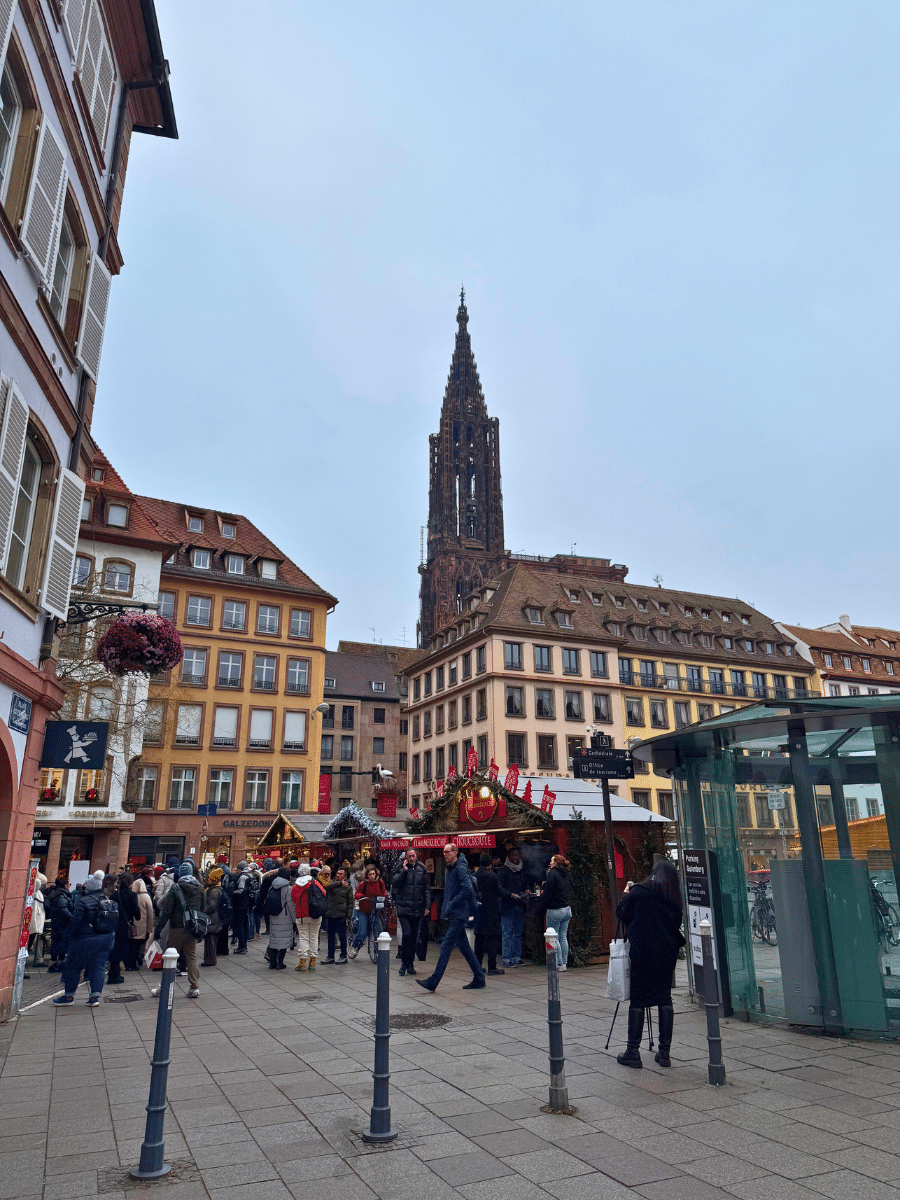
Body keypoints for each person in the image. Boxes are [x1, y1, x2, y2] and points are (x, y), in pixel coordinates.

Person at [614, 860, 685, 1068]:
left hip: (643, 953)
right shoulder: (673, 896)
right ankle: (664, 1053)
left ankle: (632, 1051)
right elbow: (676, 923)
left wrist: (627, 892)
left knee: (638, 999)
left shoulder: (639, 892)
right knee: (664, 999)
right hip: (667, 954)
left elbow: (622, 913)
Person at [417, 844, 485, 992]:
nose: (445, 854)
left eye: (448, 852)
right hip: (455, 913)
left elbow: (467, 889)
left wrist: (452, 904)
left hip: (458, 914)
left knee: (446, 946)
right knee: (465, 948)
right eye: (444, 852)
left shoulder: (459, 868)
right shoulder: (452, 867)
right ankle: (479, 977)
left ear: (455, 853)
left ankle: (433, 982)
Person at [52, 875, 118, 1007]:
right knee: (98, 967)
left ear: (89, 887)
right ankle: (95, 997)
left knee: (74, 966)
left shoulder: (83, 901)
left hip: (84, 939)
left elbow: (75, 922)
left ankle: (69, 996)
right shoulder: (108, 900)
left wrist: (70, 937)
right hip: (105, 938)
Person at [153, 863, 205, 998]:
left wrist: (159, 928)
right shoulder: (199, 888)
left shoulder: (175, 888)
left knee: (170, 956)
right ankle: (194, 987)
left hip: (177, 927)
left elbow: (167, 910)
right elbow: (203, 909)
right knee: (191, 955)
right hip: (192, 927)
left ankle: (164, 986)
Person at [391, 848, 430, 976]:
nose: (412, 858)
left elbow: (426, 889)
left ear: (416, 856)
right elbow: (395, 883)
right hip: (404, 908)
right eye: (409, 856)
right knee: (407, 934)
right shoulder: (400, 867)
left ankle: (410, 964)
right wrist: (404, 871)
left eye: (413, 855)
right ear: (406, 857)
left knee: (414, 937)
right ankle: (403, 963)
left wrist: (427, 906)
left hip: (417, 908)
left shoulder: (422, 868)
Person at [540, 854, 572, 971]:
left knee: (555, 937)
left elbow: (548, 893)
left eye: (552, 861)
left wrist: (541, 906)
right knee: (563, 937)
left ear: (556, 863)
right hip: (566, 909)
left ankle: (558, 963)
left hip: (555, 909)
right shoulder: (565, 873)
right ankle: (564, 963)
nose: (550, 863)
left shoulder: (552, 874)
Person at [473, 854, 504, 976]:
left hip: (478, 910)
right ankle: (492, 966)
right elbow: (499, 891)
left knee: (479, 939)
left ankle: (478, 966)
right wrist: (511, 895)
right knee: (492, 939)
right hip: (491, 910)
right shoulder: (492, 876)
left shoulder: (474, 876)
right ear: (490, 864)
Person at [291, 863, 326, 971]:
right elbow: (324, 893)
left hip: (301, 915)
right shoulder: (314, 883)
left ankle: (302, 962)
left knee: (303, 938)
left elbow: (294, 900)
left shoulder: (295, 886)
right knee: (314, 937)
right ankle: (312, 962)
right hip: (315, 914)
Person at [107, 872, 140, 984]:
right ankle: (115, 974)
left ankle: (114, 971)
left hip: (114, 924)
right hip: (125, 925)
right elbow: (137, 913)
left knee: (114, 948)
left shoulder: (114, 895)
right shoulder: (132, 895)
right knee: (121, 948)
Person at [349, 866, 388, 958]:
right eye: (370, 874)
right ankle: (354, 947)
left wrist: (386, 897)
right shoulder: (363, 884)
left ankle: (377, 950)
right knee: (362, 931)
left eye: (373, 874)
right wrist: (361, 896)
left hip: (375, 910)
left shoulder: (380, 883)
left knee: (379, 930)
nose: (372, 876)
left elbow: (383, 893)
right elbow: (357, 894)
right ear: (367, 875)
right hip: (364, 911)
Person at [497, 847, 526, 967]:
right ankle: (506, 959)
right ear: (508, 856)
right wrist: (510, 894)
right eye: (513, 855)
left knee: (518, 933)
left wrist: (526, 890)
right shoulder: (504, 870)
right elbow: (499, 888)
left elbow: (524, 884)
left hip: (518, 905)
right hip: (507, 905)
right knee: (507, 933)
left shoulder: (521, 870)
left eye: (517, 855)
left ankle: (516, 957)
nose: (515, 858)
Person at [322, 867, 352, 964]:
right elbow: (327, 887)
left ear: (345, 876)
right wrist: (339, 883)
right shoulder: (332, 884)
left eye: (341, 874)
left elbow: (350, 902)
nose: (338, 875)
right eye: (337, 873)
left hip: (341, 915)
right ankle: (330, 956)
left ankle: (343, 956)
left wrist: (348, 916)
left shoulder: (348, 887)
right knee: (330, 937)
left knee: (342, 936)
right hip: (330, 914)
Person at [266, 868, 294, 969]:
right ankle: (280, 962)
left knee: (274, 939)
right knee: (284, 941)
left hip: (273, 916)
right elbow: (291, 906)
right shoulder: (288, 888)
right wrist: (295, 920)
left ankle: (272, 962)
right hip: (285, 916)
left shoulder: (272, 886)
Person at [44, 875, 73, 972]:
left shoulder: (55, 894)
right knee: (61, 943)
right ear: (65, 885)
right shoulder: (61, 895)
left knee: (57, 942)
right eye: (69, 884)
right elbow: (63, 909)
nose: (69, 886)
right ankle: (58, 964)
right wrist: (71, 917)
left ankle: (55, 964)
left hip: (56, 922)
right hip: (62, 923)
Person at [127, 877, 154, 969]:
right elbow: (150, 914)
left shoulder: (131, 895)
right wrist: (150, 929)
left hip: (131, 925)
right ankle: (139, 958)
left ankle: (130, 962)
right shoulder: (146, 897)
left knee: (131, 944)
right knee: (140, 944)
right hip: (143, 926)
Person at [229, 861, 253, 954]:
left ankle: (242, 946)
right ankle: (244, 945)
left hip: (241, 904)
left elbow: (241, 890)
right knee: (245, 925)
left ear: (240, 868)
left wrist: (232, 893)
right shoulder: (250, 875)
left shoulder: (243, 877)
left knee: (240, 926)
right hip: (248, 904)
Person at [202, 867, 225, 967]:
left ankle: (210, 960)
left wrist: (203, 912)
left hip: (212, 918)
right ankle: (211, 959)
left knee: (210, 941)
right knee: (212, 940)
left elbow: (212, 906)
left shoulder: (213, 891)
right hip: (216, 918)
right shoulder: (218, 889)